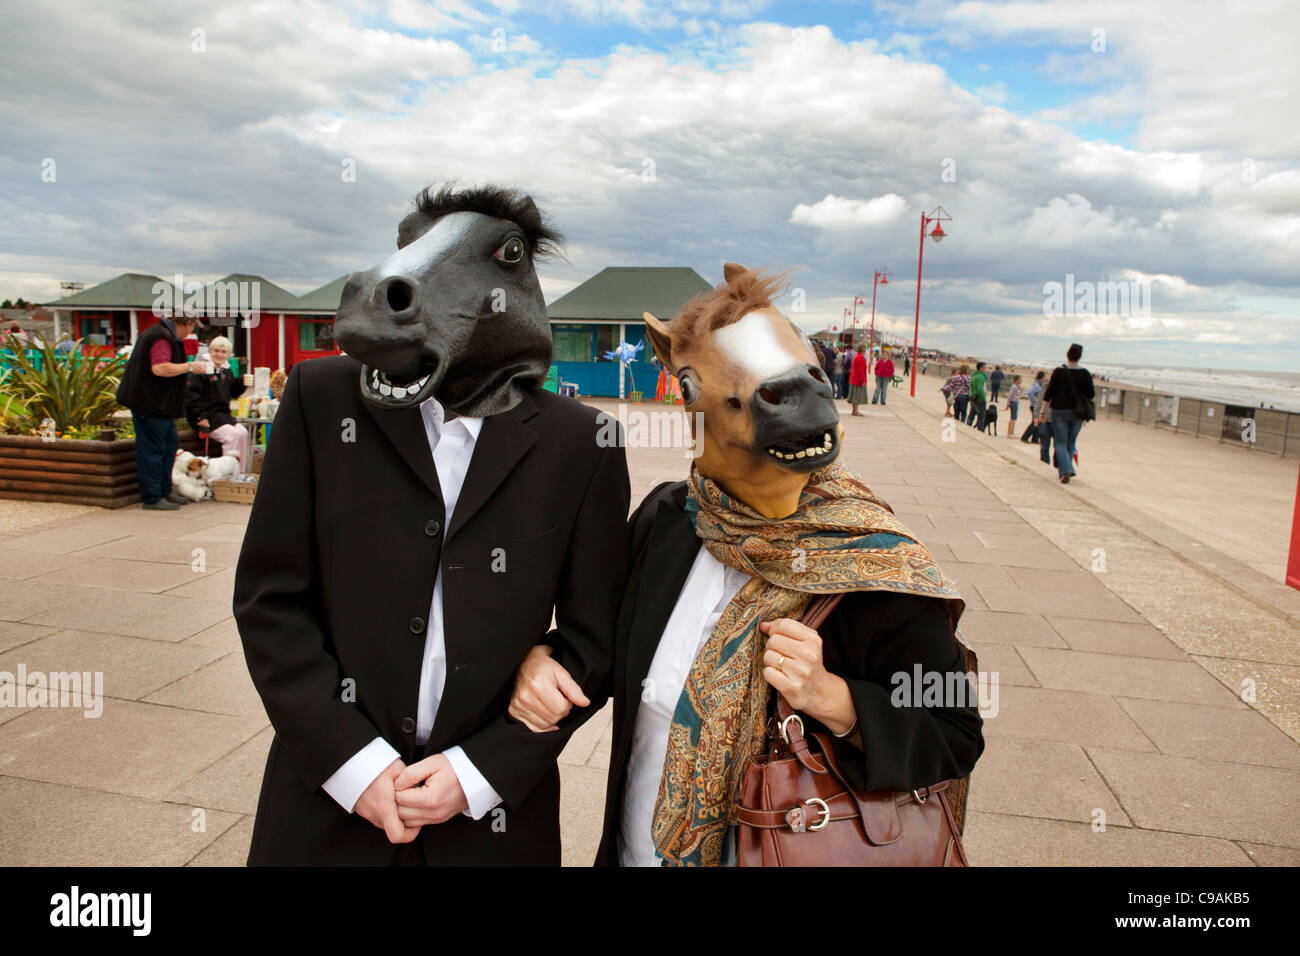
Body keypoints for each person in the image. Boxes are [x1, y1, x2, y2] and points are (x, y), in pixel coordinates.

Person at [507, 264, 983, 867]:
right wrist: (546, 659)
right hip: (638, 847)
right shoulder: (669, 521)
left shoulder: (875, 565)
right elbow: (598, 646)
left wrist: (831, 697)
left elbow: (955, 733)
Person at [233, 182, 630, 866]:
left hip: (493, 823)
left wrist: (481, 772)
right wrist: (350, 762)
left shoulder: (584, 444)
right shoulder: (321, 401)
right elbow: (271, 599)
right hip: (325, 810)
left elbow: (593, 640)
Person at [115, 313, 199, 510]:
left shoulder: (164, 335)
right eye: (193, 326)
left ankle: (164, 490)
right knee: (153, 450)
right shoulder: (160, 337)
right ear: (187, 323)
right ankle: (152, 497)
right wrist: (190, 366)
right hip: (150, 405)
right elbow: (159, 368)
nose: (192, 331)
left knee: (169, 446)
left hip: (161, 406)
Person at [185, 336, 253, 471]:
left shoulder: (226, 370)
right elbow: (191, 395)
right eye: (216, 351)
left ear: (228, 354)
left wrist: (242, 382)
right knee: (232, 436)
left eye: (223, 352)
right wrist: (200, 417)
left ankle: (241, 471)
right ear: (210, 351)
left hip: (223, 415)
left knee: (243, 433)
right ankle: (227, 473)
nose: (219, 354)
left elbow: (233, 392)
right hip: (207, 416)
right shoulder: (202, 369)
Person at [1040, 343, 1095, 483]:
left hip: (1059, 411)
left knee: (1060, 442)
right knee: (1071, 442)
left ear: (1067, 354)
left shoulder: (1059, 371)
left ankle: (1065, 470)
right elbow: (1091, 394)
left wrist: (1042, 410)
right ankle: (1066, 469)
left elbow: (1049, 392)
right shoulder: (1085, 373)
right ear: (1080, 357)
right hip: (1078, 413)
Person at [1021, 370, 1046, 444]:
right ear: (1041, 378)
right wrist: (1036, 401)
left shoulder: (1039, 384)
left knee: (1038, 422)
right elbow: (1030, 393)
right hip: (1034, 406)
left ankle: (1035, 439)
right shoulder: (1036, 385)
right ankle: (1025, 437)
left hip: (1037, 406)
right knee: (1034, 422)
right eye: (1044, 378)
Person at [847, 343, 870, 416]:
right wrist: (863, 380)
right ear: (864, 350)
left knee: (854, 396)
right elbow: (861, 371)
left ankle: (854, 410)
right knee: (857, 396)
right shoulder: (861, 358)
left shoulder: (857, 356)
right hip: (858, 380)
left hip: (854, 379)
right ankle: (855, 411)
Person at [967, 362, 987, 429]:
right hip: (979, 399)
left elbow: (971, 388)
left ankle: (967, 426)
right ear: (981, 368)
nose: (985, 369)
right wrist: (983, 398)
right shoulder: (980, 377)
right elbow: (980, 389)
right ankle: (980, 429)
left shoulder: (974, 376)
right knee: (981, 416)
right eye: (984, 368)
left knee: (972, 414)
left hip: (972, 398)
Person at [1005, 374, 1023, 439]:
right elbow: (1010, 395)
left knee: (1013, 418)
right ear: (1016, 380)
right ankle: (1010, 433)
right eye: (1020, 379)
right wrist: (1008, 404)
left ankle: (1011, 433)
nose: (1021, 381)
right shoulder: (1014, 386)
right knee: (1013, 418)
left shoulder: (1017, 387)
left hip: (1016, 403)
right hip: (1013, 403)